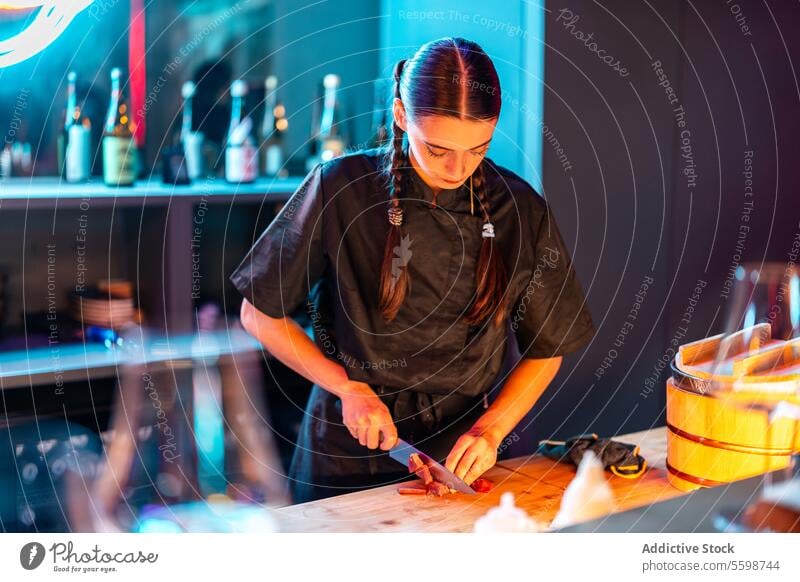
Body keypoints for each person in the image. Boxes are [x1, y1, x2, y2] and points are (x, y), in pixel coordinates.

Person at [229, 37, 595, 504]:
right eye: (439, 149)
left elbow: (549, 346)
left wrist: (492, 429)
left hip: (460, 455)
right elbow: (258, 313)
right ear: (402, 116)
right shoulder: (340, 187)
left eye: (477, 148)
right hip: (345, 448)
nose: (458, 168)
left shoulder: (519, 209)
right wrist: (347, 388)